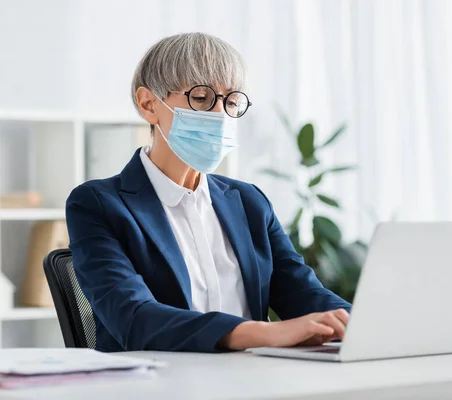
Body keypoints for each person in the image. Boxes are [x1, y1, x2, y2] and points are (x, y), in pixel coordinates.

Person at [66, 32, 351, 353]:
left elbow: (302, 293)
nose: (220, 115)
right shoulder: (97, 204)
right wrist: (267, 334)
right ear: (148, 105)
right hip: (155, 383)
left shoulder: (248, 201)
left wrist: (356, 323)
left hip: (251, 379)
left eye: (231, 101)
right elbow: (134, 319)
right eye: (200, 99)